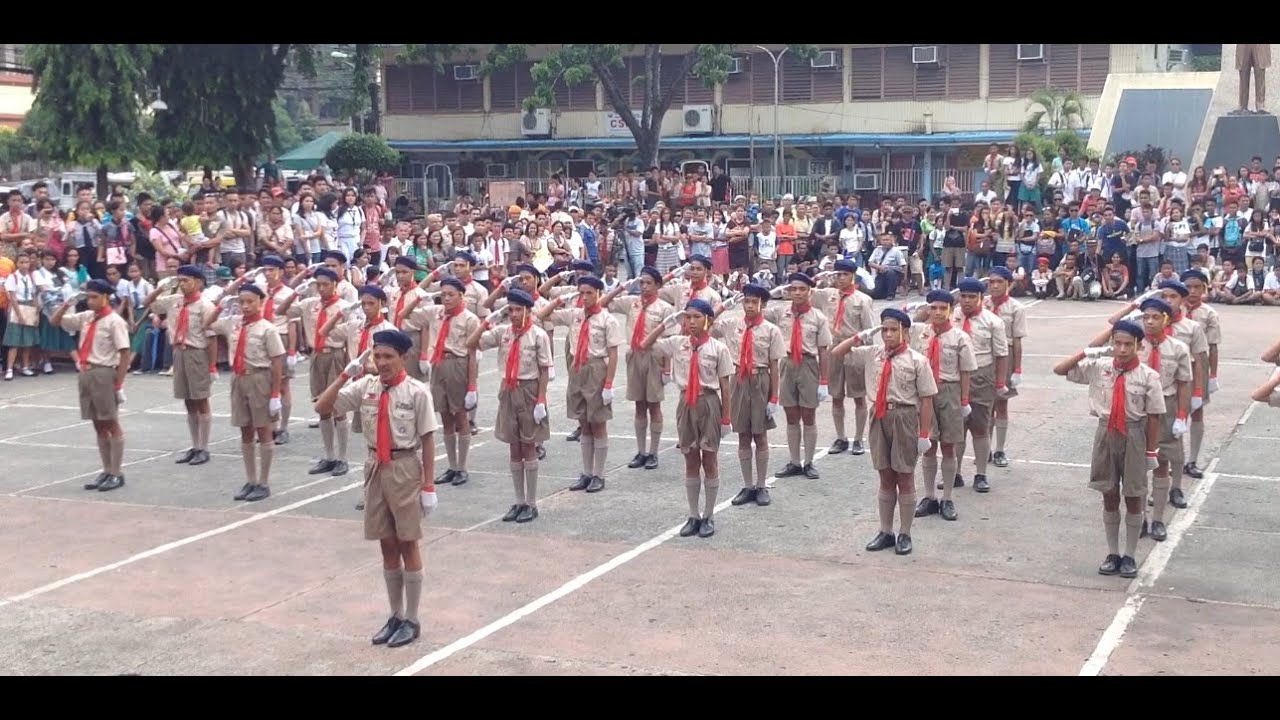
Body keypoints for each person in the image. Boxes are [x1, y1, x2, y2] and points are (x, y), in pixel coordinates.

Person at [315, 329, 438, 649]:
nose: (381, 362)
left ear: (403, 358)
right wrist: (345, 374)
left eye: (388, 356)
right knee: (386, 544)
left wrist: (428, 485)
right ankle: (394, 614)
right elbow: (323, 408)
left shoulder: (417, 392)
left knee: (407, 543)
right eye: (377, 356)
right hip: (375, 469)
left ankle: (412, 618)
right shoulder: (366, 387)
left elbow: (427, 440)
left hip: (404, 467)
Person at [1055, 320, 1164, 578]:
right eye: (1117, 343)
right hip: (1106, 432)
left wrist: (1151, 452)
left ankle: (1130, 555)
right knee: (1109, 492)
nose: (1122, 349)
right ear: (1111, 343)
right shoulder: (1100, 368)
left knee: (1134, 495)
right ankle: (1113, 552)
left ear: (1139, 346)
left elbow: (1155, 416)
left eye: (1128, 344)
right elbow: (1060, 370)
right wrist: (1086, 351)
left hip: (1134, 432)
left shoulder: (1148, 376)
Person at [831, 308, 937, 555]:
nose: (887, 335)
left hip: (905, 417)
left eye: (893, 330)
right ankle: (886, 530)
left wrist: (924, 434)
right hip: (879, 417)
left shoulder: (917, 361)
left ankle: (905, 533)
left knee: (905, 476)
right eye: (884, 330)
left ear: (905, 332)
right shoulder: (872, 354)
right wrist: (859, 336)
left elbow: (927, 400)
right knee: (885, 476)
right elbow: (836, 354)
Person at [1087, 298, 1191, 542]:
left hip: (1163, 409)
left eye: (1156, 317)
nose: (1150, 321)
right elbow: (1098, 341)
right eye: (1146, 317)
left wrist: (1183, 415)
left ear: (1166, 319)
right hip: (1132, 415)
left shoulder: (1177, 348)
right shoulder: (1132, 345)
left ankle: (1157, 519)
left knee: (1160, 462)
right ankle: (1140, 517)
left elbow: (1184, 383)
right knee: (1136, 475)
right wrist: (1133, 306)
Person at [639, 298, 735, 537]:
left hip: (709, 402)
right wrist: (665, 324)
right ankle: (693, 515)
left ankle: (709, 515)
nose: (691, 322)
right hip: (686, 403)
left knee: (709, 461)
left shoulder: (718, 348)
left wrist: (726, 419)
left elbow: (725, 386)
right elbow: (644, 345)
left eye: (696, 317)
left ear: (708, 320)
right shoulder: (677, 343)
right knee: (690, 460)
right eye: (687, 317)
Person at [467, 288, 552, 523]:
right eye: (510, 310)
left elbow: (544, 369)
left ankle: (531, 503)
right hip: (508, 390)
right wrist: (487, 323)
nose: (513, 314)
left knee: (528, 446)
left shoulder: (538, 335)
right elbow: (471, 343)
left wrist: (541, 401)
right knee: (513, 447)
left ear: (528, 310)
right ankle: (518, 500)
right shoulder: (503, 332)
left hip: (529, 390)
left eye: (518, 310)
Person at [536, 274, 624, 493]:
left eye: (589, 293)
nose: (584, 297)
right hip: (578, 368)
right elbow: (541, 315)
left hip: (596, 369)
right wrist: (560, 300)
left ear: (598, 294)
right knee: (583, 421)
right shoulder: (575, 315)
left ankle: (599, 474)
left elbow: (613, 354)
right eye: (581, 293)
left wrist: (609, 384)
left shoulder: (607, 319)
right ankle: (586, 472)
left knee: (598, 422)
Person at [204, 284, 285, 502]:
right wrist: (222, 304)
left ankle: (264, 482)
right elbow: (207, 323)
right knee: (245, 430)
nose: (246, 306)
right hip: (238, 378)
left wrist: (275, 394)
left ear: (261, 301)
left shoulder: (267, 328)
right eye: (242, 301)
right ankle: (251, 480)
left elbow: (277, 361)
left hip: (259, 378)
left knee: (263, 430)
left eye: (251, 301)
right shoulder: (234, 323)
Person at [711, 283, 786, 507]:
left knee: (760, 435)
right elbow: (706, 325)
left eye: (754, 302)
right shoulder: (732, 324)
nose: (750, 306)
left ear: (763, 304)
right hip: (739, 380)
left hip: (761, 380)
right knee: (743, 434)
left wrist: (774, 398)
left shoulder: (771, 330)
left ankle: (761, 485)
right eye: (746, 301)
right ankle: (747, 485)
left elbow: (775, 366)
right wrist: (724, 306)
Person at [52, 278, 131, 491]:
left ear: (106, 297)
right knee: (97, 424)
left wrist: (119, 384)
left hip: (104, 372)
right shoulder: (87, 317)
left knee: (111, 422)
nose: (90, 301)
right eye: (88, 297)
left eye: (94, 297)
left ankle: (116, 472)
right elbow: (55, 321)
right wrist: (66, 303)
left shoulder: (114, 321)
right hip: (86, 372)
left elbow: (124, 354)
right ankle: (105, 470)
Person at [599, 266, 675, 470]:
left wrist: (667, 368)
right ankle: (641, 451)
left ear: (658, 285)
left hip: (654, 357)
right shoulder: (632, 303)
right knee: (639, 405)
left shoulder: (664, 308)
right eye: (641, 282)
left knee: (654, 406)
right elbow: (602, 303)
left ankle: (654, 452)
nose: (644, 286)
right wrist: (621, 287)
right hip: (635, 356)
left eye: (649, 282)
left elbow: (669, 340)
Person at [910, 290, 976, 522]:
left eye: (943, 308)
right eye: (934, 308)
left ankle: (947, 497)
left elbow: (966, 370)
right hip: (924, 392)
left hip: (948, 391)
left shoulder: (959, 337)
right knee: (927, 444)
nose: (938, 312)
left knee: (948, 446)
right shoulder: (919, 333)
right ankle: (929, 497)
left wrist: (964, 400)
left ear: (950, 310)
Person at [142, 265, 218, 465]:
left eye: (186, 280)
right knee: (188, 401)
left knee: (201, 400)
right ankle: (194, 446)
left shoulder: (205, 306)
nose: (182, 284)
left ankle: (204, 447)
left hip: (196, 354)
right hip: (179, 353)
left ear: (199, 282)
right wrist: (161, 288)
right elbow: (147, 302)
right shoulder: (174, 301)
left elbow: (211, 339)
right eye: (180, 281)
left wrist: (211, 367)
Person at [407, 276, 479, 486]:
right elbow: (404, 315)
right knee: (445, 417)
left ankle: (462, 467)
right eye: (443, 294)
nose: (446, 299)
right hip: (438, 365)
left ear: (461, 296)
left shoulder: (469, 319)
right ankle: (452, 465)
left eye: (451, 295)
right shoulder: (436, 313)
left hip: (458, 364)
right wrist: (421, 298)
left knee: (461, 417)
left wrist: (472, 385)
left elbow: (472, 354)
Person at [282, 267, 352, 476]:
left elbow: (351, 337)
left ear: (335, 285)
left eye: (325, 284)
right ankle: (329, 456)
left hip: (336, 355)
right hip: (317, 356)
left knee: (338, 407)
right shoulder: (309, 304)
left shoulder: (345, 307)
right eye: (317, 285)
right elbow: (282, 310)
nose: (321, 288)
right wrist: (295, 291)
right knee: (322, 407)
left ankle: (343, 457)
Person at [766, 272, 833, 479]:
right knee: (791, 415)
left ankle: (809, 462)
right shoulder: (780, 312)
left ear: (809, 292)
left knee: (808, 415)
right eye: (793, 289)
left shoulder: (818, 317)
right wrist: (772, 293)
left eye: (802, 289)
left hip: (808, 364)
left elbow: (823, 350)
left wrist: (824, 381)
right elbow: (756, 310)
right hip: (787, 363)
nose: (797, 293)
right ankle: (794, 461)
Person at [949, 277, 1009, 492]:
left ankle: (980, 474)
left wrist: (1001, 383)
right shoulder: (951, 315)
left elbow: (1002, 354)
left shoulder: (993, 322)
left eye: (971, 297)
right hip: (954, 376)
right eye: (963, 296)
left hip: (981, 376)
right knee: (956, 428)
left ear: (981, 298)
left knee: (980, 427)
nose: (966, 301)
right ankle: (954, 473)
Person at [812, 259, 875, 456]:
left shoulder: (862, 299)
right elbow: (808, 295)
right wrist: (819, 279)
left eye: (844, 274)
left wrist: (868, 356)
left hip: (854, 348)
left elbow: (869, 329)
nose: (840, 278)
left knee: (858, 396)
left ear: (852, 276)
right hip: (833, 347)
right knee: (836, 395)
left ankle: (858, 438)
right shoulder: (828, 295)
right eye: (837, 274)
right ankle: (840, 437)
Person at [983, 266, 1029, 467]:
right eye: (991, 282)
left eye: (999, 282)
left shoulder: (1015, 308)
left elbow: (1017, 341)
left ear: (1009, 284)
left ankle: (1000, 449)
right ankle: (984, 448)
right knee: (984, 406)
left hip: (1006, 355)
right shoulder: (982, 303)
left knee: (1001, 403)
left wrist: (1017, 369)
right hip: (984, 354)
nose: (994, 286)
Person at [1178, 269, 1221, 481]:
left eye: (1198, 287)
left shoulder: (1209, 313)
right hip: (1176, 367)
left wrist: (1212, 375)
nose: (1193, 291)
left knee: (1197, 412)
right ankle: (1174, 459)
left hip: (1198, 367)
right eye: (1188, 287)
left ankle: (1192, 460)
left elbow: (1212, 347)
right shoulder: (1174, 311)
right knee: (1174, 414)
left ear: (1204, 289)